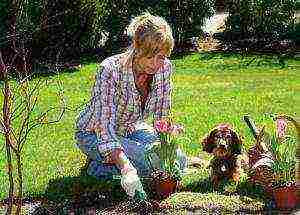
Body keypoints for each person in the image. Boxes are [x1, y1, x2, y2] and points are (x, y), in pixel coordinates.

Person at [75, 12, 187, 201]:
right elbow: (104, 126)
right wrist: (127, 169)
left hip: (130, 129)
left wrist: (167, 152)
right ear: (137, 47)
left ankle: (102, 165)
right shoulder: (110, 70)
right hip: (94, 133)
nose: (156, 64)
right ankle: (107, 164)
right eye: (150, 56)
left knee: (178, 160)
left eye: (161, 57)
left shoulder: (164, 69)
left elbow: (161, 114)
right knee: (149, 163)